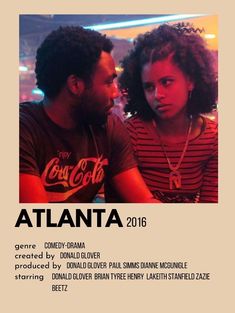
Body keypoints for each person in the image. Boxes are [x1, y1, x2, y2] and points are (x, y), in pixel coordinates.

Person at [20, 25, 160, 203]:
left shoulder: (109, 127)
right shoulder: (23, 130)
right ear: (76, 85)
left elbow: (144, 201)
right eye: (108, 82)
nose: (116, 93)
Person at [119, 23, 218, 203]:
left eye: (166, 82)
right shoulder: (132, 133)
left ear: (190, 81)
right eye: (149, 87)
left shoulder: (212, 137)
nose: (158, 95)